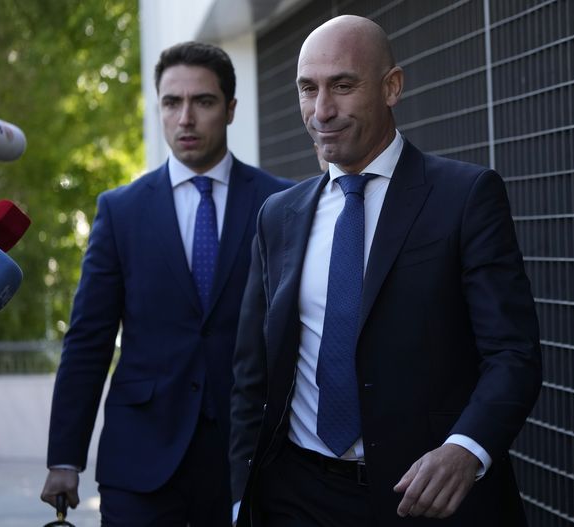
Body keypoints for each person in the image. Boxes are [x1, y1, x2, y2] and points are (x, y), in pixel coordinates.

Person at [229, 14, 542, 527]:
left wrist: (467, 448)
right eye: (308, 89)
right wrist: (242, 495)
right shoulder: (278, 216)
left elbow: (513, 353)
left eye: (342, 86)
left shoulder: (464, 196)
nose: (321, 110)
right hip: (296, 497)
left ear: (392, 86)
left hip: (426, 501)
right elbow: (252, 373)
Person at [40, 41, 291, 525]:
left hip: (248, 456)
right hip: (141, 457)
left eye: (203, 101)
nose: (185, 118)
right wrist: (64, 457)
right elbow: (89, 339)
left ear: (231, 109)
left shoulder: (280, 203)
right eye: (172, 102)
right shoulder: (120, 210)